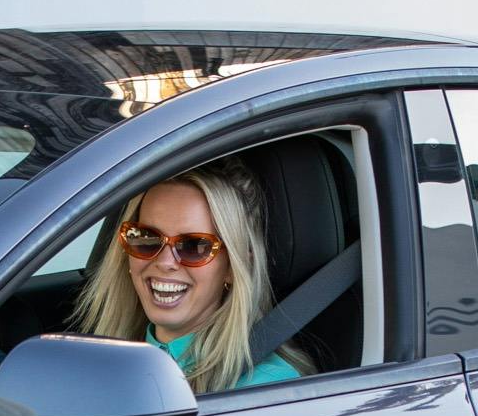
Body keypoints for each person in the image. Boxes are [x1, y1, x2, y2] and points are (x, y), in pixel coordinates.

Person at [70, 158, 311, 393]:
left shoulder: (267, 388)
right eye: (146, 238)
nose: (164, 262)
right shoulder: (107, 359)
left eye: (194, 246)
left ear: (232, 268)